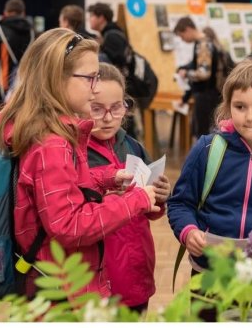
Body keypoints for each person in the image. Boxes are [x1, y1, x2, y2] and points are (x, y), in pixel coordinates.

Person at [0, 28, 159, 299]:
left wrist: (107, 177)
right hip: (64, 288)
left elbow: (62, 190)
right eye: (90, 78)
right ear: (57, 78)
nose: (96, 87)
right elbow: (70, 225)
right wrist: (134, 201)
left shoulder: (47, 131)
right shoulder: (51, 144)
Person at [167, 57, 252, 322]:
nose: (250, 116)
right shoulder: (208, 149)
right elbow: (180, 203)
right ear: (228, 106)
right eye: (240, 106)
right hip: (209, 273)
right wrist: (189, 232)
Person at [87, 62, 171, 313]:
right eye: (97, 109)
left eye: (116, 107)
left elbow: (151, 210)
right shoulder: (74, 152)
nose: (108, 117)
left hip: (136, 268)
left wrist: (160, 195)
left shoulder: (133, 146)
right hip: (97, 274)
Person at [0, 0, 34, 137]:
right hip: (26, 86)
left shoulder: (0, 31)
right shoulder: (31, 32)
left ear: (6, 12)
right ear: (23, 13)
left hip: (3, 86)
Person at [173, 16, 221, 139]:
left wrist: (187, 74)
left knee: (204, 135)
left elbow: (204, 73)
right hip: (208, 95)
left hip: (206, 96)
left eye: (182, 36)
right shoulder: (204, 43)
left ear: (188, 29)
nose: (182, 39)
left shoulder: (203, 44)